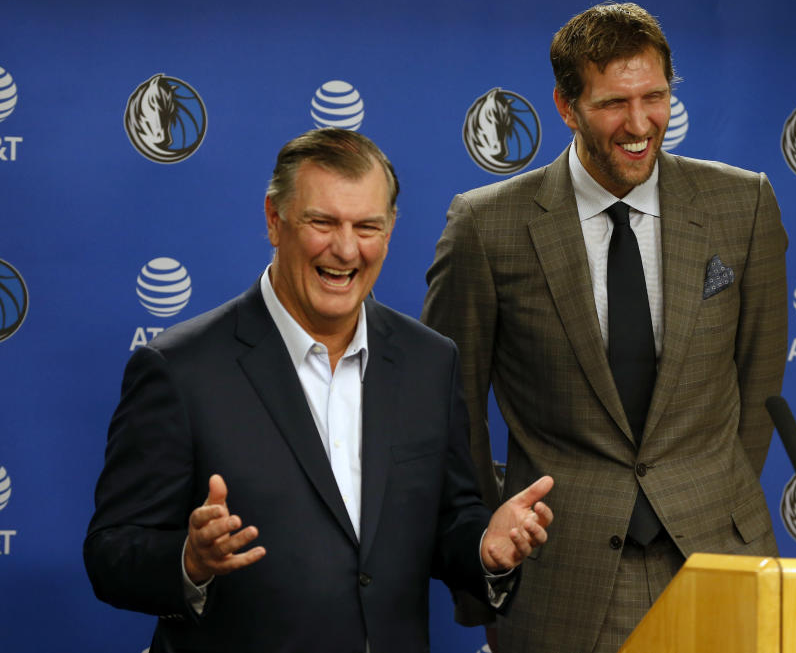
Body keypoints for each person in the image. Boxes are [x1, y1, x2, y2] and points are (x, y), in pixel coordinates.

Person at [84, 128, 554, 653]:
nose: (346, 248)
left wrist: (485, 548)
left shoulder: (429, 360)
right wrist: (189, 560)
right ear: (274, 219)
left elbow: (450, 518)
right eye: (322, 222)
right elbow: (111, 553)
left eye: (367, 226)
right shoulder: (179, 367)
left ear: (391, 229)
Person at [421, 2, 788, 653]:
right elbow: (452, 413)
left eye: (656, 97)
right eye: (615, 103)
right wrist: (486, 561)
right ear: (566, 106)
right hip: (561, 577)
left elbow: (759, 383)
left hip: (719, 560)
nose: (641, 123)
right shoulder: (487, 227)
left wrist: (707, 497)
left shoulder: (744, 205)